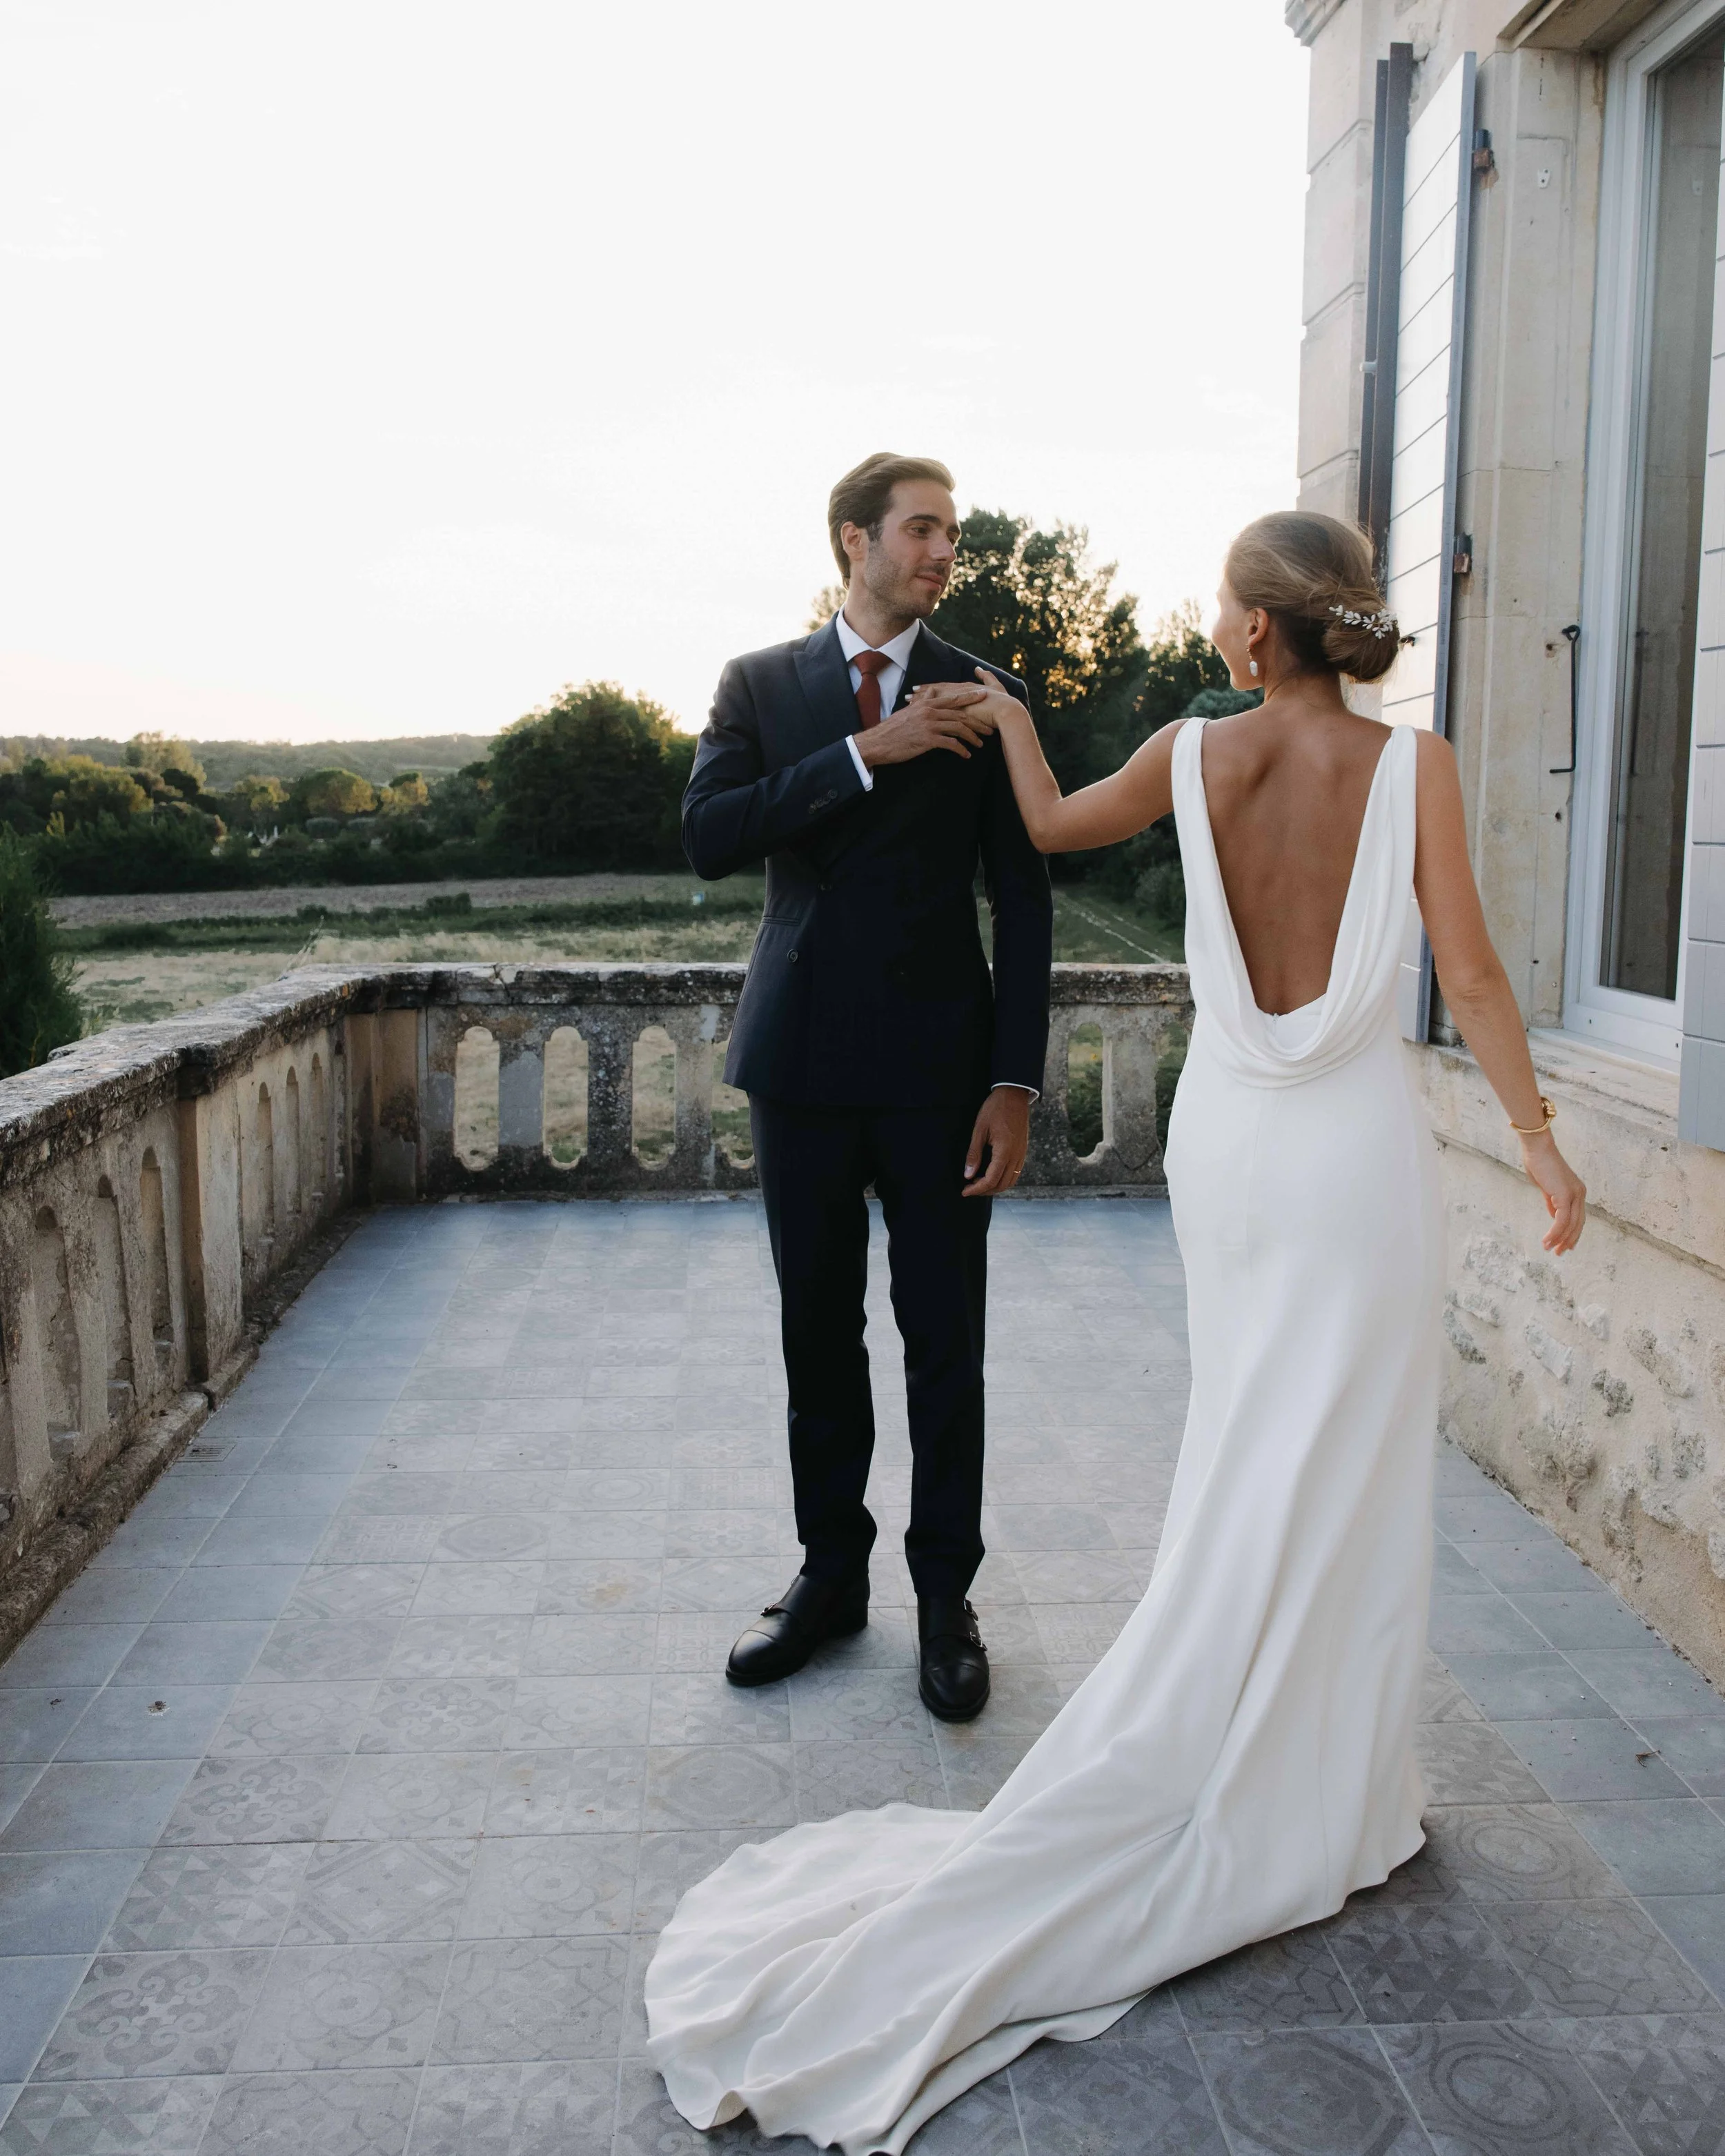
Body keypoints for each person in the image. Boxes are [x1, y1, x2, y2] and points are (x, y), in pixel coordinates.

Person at [646, 510, 1586, 2155]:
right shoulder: (1415, 768)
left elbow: (1045, 825)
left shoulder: (1185, 750)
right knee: (1346, 1461)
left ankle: (1234, 1730)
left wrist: (1008, 716)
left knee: (1243, 1444)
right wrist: (1540, 1141)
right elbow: (1476, 975)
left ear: (1242, 632)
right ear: (1335, 625)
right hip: (1353, 1153)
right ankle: (1329, 1784)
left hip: (1229, 1150)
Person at [680, 452, 1053, 1721]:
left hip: (943, 1077)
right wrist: (869, 749)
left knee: (947, 1343)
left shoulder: (991, 694)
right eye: (922, 529)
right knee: (816, 1335)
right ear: (854, 540)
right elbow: (711, 836)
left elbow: (1026, 898)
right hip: (799, 1067)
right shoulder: (760, 683)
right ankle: (829, 1579)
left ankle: (946, 1599)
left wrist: (1014, 1079)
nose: (945, 551)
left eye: (954, 532)